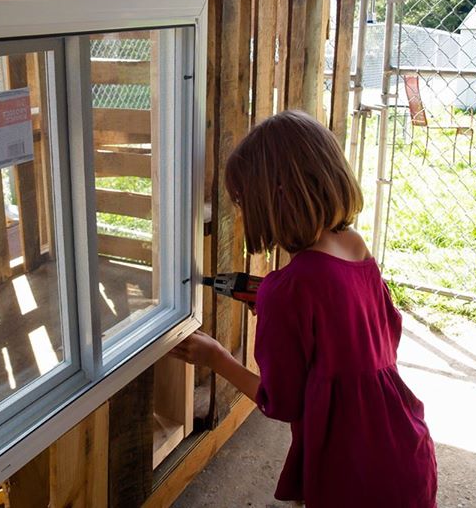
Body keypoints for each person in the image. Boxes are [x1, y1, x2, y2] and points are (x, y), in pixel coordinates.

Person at [169, 110, 437, 507]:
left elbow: (282, 401)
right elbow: (382, 333)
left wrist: (217, 357)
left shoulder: (287, 290)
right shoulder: (355, 247)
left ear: (275, 198)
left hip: (350, 471)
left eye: (243, 201)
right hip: (405, 449)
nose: (242, 213)